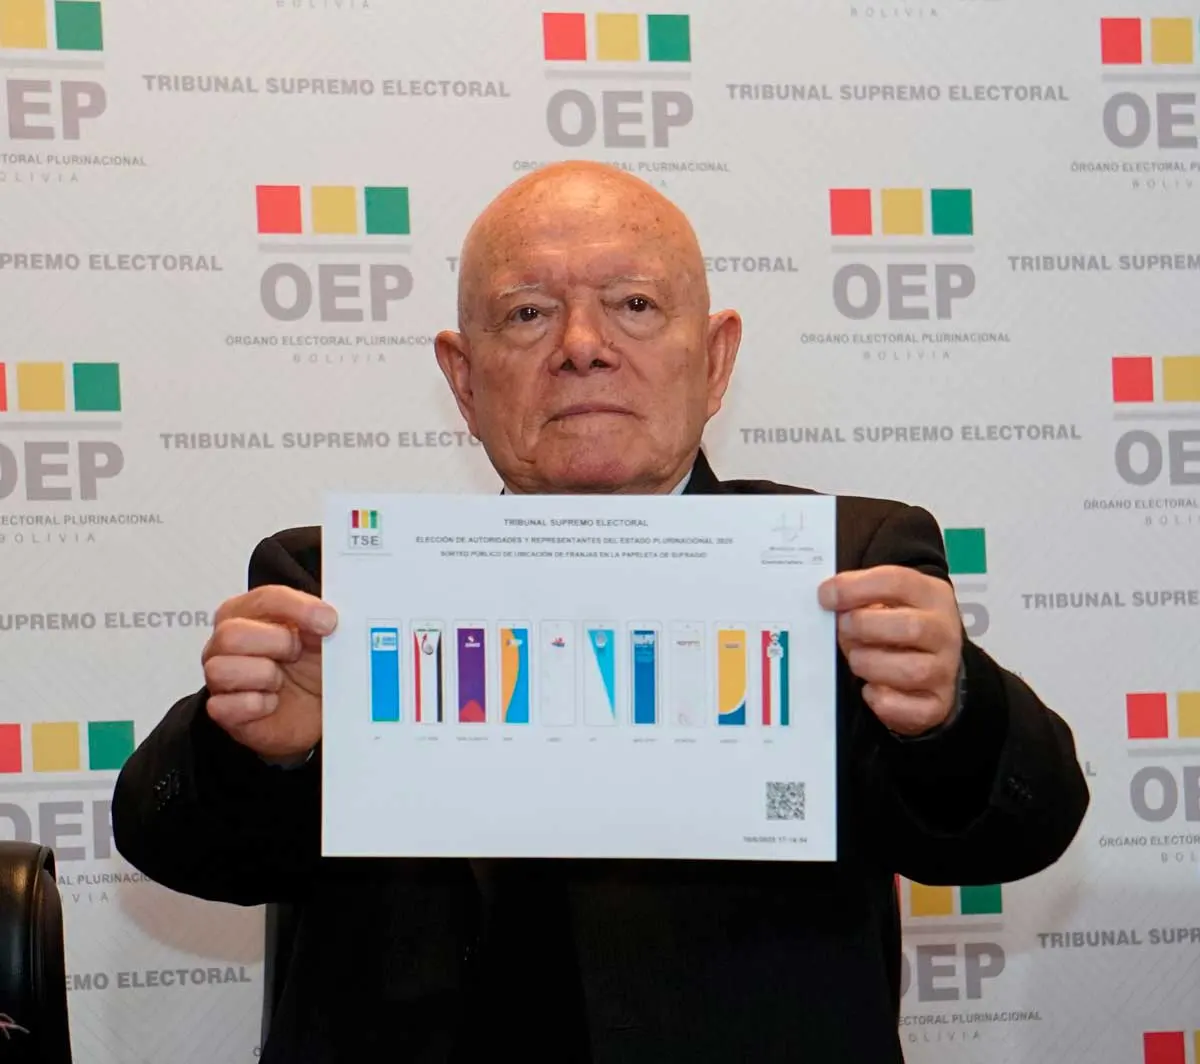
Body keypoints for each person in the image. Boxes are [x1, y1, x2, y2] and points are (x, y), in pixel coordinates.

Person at [112, 161, 1089, 1063]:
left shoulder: (846, 565)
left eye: (634, 305)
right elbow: (175, 845)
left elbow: (1022, 827)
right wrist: (259, 750)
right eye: (528, 312)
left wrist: (951, 711)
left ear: (716, 361)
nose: (582, 347)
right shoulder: (338, 592)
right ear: (463, 378)